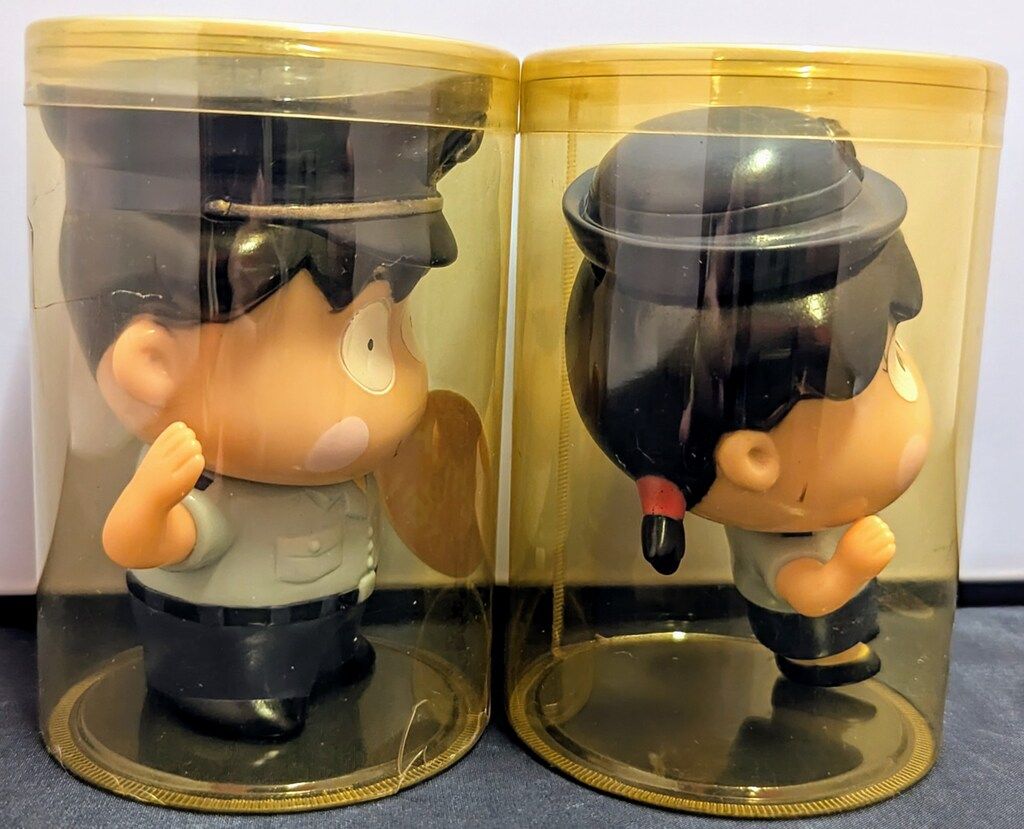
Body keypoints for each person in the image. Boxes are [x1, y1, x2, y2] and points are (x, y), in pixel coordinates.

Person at [46, 77, 486, 738]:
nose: (399, 389)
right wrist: (151, 498)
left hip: (330, 609)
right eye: (365, 345)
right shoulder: (199, 479)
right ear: (152, 365)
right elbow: (133, 543)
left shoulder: (342, 471)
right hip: (232, 637)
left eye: (398, 334)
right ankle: (233, 691)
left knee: (333, 650)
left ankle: (330, 658)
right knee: (246, 664)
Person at [563, 106, 932, 686]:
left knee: (845, 624)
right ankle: (818, 659)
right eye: (888, 369)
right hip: (810, 612)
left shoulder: (810, 519)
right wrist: (850, 566)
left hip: (839, 589)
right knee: (818, 632)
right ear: (755, 458)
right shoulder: (781, 549)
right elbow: (809, 593)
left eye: (897, 358)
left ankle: (842, 648)